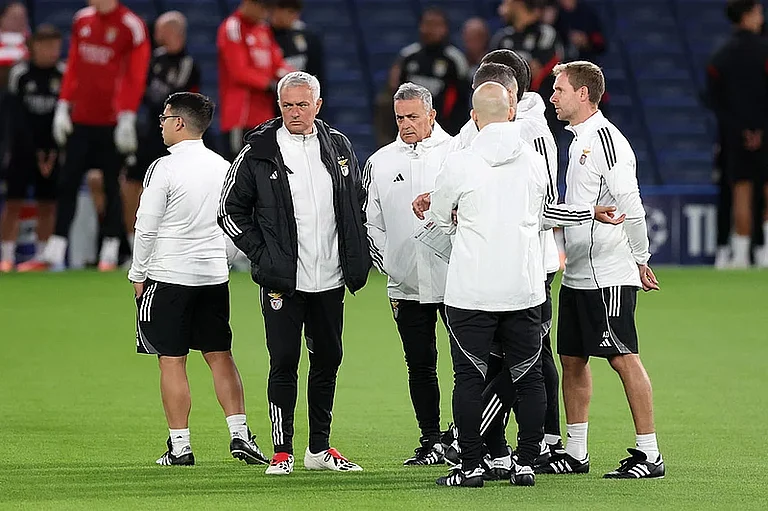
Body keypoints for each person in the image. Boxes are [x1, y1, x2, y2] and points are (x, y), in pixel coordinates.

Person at [218, 71, 370, 476]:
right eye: (288, 105)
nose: (295, 112)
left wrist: (355, 254)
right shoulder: (258, 151)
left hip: (330, 277)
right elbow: (228, 210)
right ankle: (282, 451)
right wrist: (264, 256)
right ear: (279, 106)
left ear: (318, 106)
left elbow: (357, 200)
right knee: (283, 360)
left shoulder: (338, 146)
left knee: (328, 359)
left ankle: (318, 449)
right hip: (283, 280)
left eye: (303, 105)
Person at [129, 92, 269, 467]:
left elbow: (146, 227)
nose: (160, 123)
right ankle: (241, 435)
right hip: (212, 277)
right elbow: (236, 221)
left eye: (164, 117)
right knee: (220, 355)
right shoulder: (224, 166)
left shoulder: (165, 167)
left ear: (178, 122)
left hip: (168, 276)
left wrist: (137, 272)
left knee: (171, 361)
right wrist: (220, 260)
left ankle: (180, 446)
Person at [540, 61, 665, 479]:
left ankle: (650, 453)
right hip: (577, 272)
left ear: (583, 95)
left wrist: (641, 258)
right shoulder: (577, 143)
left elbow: (631, 204)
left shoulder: (608, 141)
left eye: (559, 90)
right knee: (572, 359)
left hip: (608, 272)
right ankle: (576, 453)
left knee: (623, 357)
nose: (552, 97)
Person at [431, 81, 552, 488]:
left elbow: (437, 215)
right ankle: (527, 462)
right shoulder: (534, 162)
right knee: (529, 378)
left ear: (474, 117)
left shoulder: (461, 162)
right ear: (512, 113)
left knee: (468, 378)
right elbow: (541, 214)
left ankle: (470, 465)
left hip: (472, 289)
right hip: (523, 287)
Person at [364, 82, 453, 466]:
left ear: (431, 115)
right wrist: (392, 265)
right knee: (419, 363)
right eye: (400, 117)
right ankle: (431, 439)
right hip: (405, 284)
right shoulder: (379, 162)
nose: (406, 124)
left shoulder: (458, 153)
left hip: (457, 280)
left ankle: (470, 436)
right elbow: (371, 223)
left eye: (413, 116)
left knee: (470, 362)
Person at [33, 0, 150, 272]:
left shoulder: (131, 26)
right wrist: (64, 103)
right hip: (81, 119)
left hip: (112, 120)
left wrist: (127, 114)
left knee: (111, 184)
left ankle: (110, 248)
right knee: (68, 181)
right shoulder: (82, 20)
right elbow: (73, 64)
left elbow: (136, 73)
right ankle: (57, 245)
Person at [123, 11, 200, 256]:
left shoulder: (188, 64)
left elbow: (176, 100)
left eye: (161, 30)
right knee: (133, 182)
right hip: (150, 131)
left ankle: (176, 244)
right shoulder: (152, 59)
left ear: (174, 32)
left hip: (176, 136)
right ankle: (132, 241)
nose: (156, 34)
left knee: (176, 188)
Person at [706, 0, 768, 268]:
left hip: (734, 136)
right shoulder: (765, 52)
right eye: (758, 12)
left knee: (740, 192)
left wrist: (741, 129)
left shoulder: (720, 56)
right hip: (766, 134)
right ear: (748, 15)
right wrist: (760, 129)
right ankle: (765, 254)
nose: (761, 17)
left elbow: (713, 100)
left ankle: (741, 256)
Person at [0, 25, 64, 272]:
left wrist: (51, 151)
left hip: (52, 151)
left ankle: (41, 255)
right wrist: (31, 150)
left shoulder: (62, 73)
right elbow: (15, 117)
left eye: (55, 46)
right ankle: (6, 255)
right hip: (22, 149)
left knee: (47, 204)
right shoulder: (21, 74)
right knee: (14, 202)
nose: (51, 51)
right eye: (46, 45)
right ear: (34, 46)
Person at [217, 0, 292, 162]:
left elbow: (277, 64)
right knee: (238, 170)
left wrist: (293, 78)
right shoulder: (233, 27)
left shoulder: (263, 29)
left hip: (264, 117)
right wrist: (269, 84)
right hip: (240, 116)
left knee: (264, 171)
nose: (266, 13)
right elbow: (239, 71)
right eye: (264, 7)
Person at [397, 7, 470, 136]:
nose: (429, 30)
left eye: (435, 25)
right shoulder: (408, 56)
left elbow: (462, 98)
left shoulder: (455, 59)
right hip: (412, 129)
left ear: (445, 29)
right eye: (427, 24)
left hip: (446, 130)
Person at [270, 0, 324, 97]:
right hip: (268, 98)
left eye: (292, 12)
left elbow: (316, 73)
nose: (281, 16)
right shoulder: (261, 35)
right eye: (279, 10)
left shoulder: (308, 38)